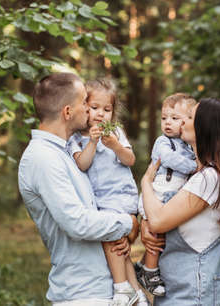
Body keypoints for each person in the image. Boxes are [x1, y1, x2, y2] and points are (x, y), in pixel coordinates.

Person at [18, 73, 138, 306]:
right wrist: (128, 223)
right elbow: (77, 223)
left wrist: (127, 230)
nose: (90, 109)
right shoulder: (43, 158)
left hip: (105, 289)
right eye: (85, 102)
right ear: (67, 112)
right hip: (83, 294)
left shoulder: (65, 153)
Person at [141, 98, 220, 306]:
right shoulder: (196, 176)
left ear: (204, 128)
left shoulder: (209, 179)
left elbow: (157, 220)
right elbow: (159, 219)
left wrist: (146, 182)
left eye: (190, 117)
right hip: (180, 293)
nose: (182, 122)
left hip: (195, 296)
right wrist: (144, 226)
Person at [68, 78, 148, 306]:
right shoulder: (75, 139)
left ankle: (121, 288)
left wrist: (114, 145)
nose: (101, 114)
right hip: (101, 201)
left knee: (109, 238)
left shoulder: (116, 132)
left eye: (107, 109)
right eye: (94, 108)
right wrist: (92, 143)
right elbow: (82, 164)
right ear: (83, 107)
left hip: (120, 197)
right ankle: (137, 294)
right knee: (120, 248)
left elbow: (130, 159)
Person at [136, 93, 197, 297]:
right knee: (155, 232)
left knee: (162, 235)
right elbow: (168, 159)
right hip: (157, 193)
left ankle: (144, 266)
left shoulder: (188, 145)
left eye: (174, 118)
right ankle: (150, 272)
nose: (167, 122)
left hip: (171, 194)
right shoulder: (163, 142)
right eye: (164, 118)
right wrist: (192, 166)